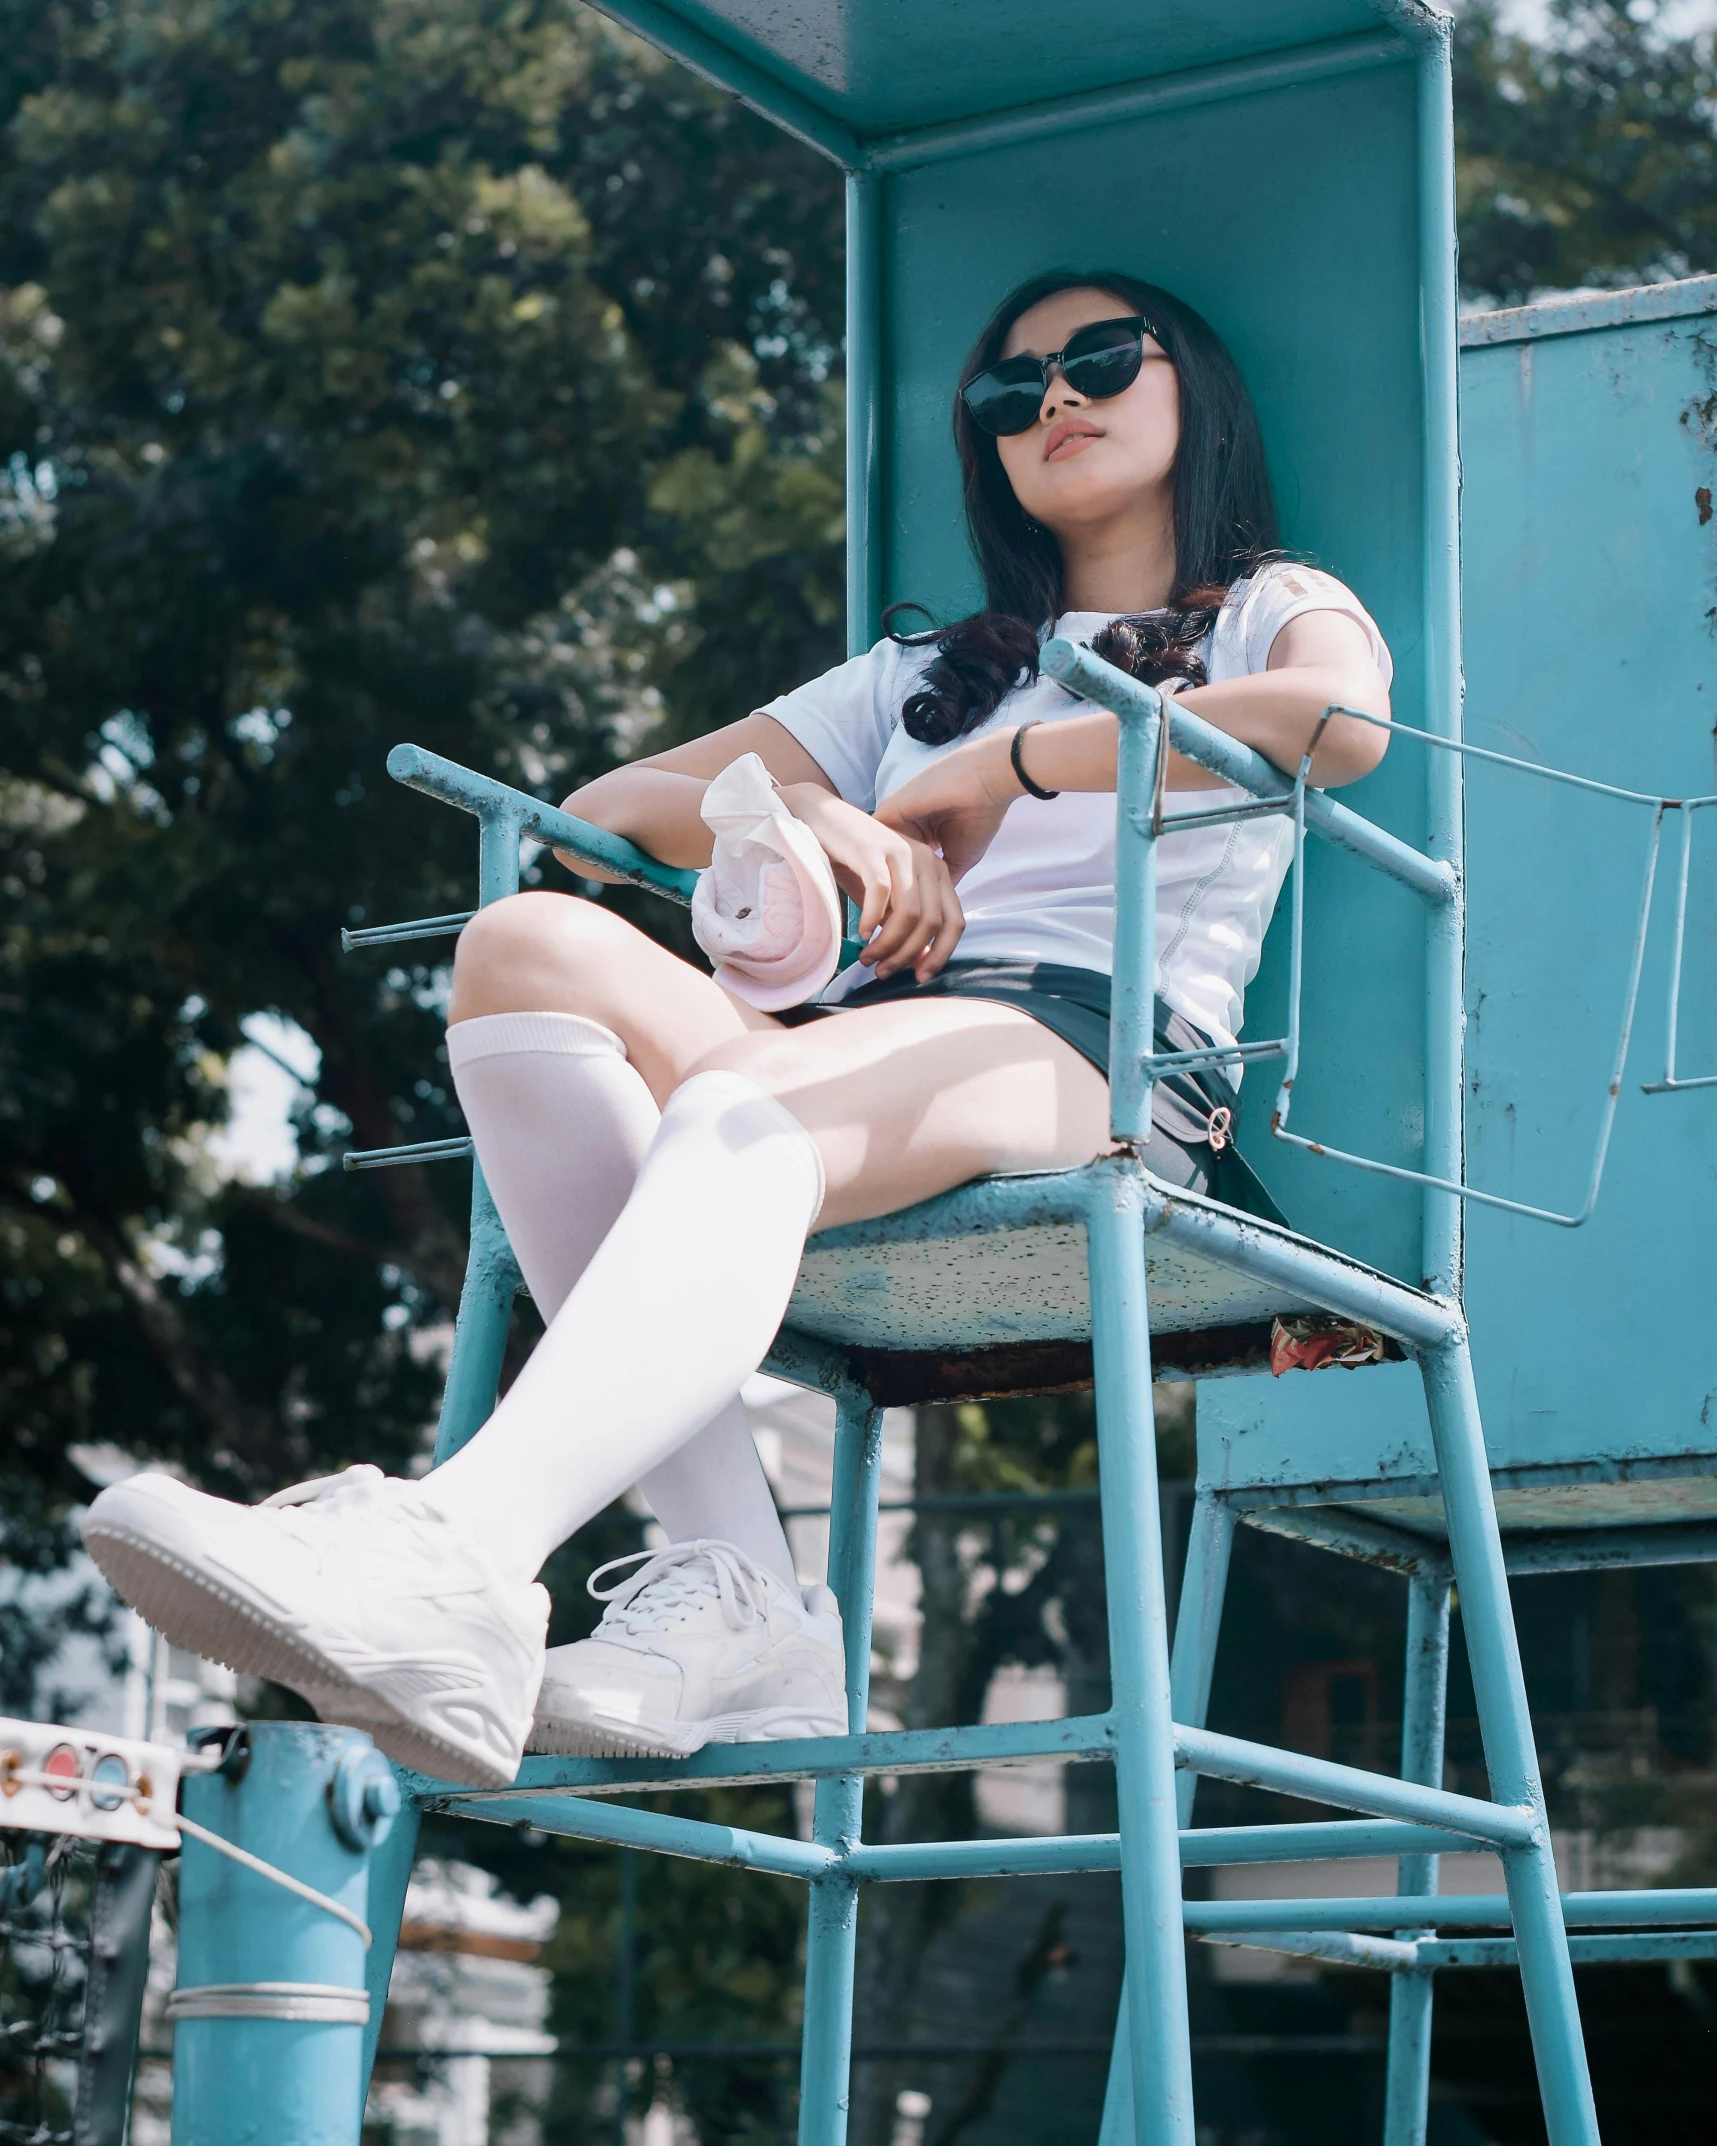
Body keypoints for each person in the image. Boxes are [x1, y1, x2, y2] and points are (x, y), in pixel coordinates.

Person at [82, 269, 1392, 1790]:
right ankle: (737, 1582)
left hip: (1094, 1048)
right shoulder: (923, 677)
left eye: (1100, 359)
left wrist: (1017, 769)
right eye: (1009, 385)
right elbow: (595, 818)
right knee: (525, 946)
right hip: (859, 1045)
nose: (1053, 398)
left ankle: (461, 1547)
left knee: (749, 1100)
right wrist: (821, 811)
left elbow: (1339, 725)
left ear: (1194, 386)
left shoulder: (1261, 608)